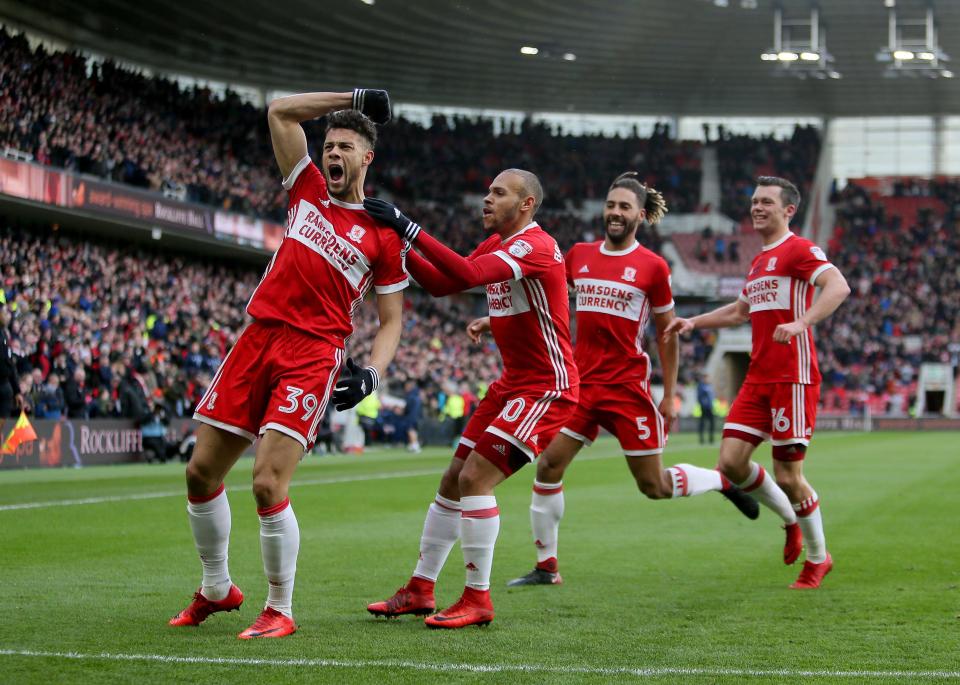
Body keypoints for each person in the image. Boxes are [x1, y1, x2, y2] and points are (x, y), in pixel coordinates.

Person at [169, 87, 407, 639]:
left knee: (266, 481)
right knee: (200, 473)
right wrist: (353, 97)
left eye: (345, 147)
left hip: (312, 353)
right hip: (257, 338)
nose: (333, 154)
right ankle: (216, 588)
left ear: (366, 158)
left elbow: (392, 319)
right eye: (328, 145)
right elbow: (279, 109)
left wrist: (372, 372)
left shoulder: (384, 233)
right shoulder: (306, 188)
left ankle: (280, 608)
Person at [503, 173, 758, 588]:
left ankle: (720, 479)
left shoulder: (653, 267)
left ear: (640, 214)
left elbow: (666, 334)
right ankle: (546, 567)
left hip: (627, 389)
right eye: (611, 205)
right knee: (548, 464)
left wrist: (669, 395)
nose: (615, 213)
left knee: (654, 487)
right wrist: (496, 317)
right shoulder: (579, 256)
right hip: (580, 385)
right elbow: (546, 298)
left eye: (624, 207)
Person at [363, 168, 579, 629]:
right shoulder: (499, 242)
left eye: (498, 193)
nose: (486, 199)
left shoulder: (534, 245)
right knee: (453, 478)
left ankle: (477, 598)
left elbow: (465, 272)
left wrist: (406, 226)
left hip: (547, 384)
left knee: (475, 478)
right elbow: (446, 283)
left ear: (526, 205)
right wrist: (401, 252)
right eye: (486, 191)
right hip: (512, 383)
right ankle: (421, 589)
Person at [664, 176, 851, 590]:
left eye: (767, 201)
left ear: (789, 210)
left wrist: (801, 322)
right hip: (758, 377)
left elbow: (838, 285)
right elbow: (739, 312)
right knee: (730, 462)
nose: (757, 207)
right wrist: (693, 321)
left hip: (792, 378)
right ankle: (790, 521)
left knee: (788, 475)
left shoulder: (799, 250)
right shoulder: (758, 260)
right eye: (754, 201)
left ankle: (819, 559)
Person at [697, 373, 716, 444]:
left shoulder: (710, 386)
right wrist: (702, 404)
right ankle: (701, 439)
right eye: (706, 378)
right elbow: (699, 396)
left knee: (712, 423)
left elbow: (712, 397)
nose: (707, 379)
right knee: (703, 423)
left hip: (710, 407)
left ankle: (711, 438)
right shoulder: (701, 386)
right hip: (704, 407)